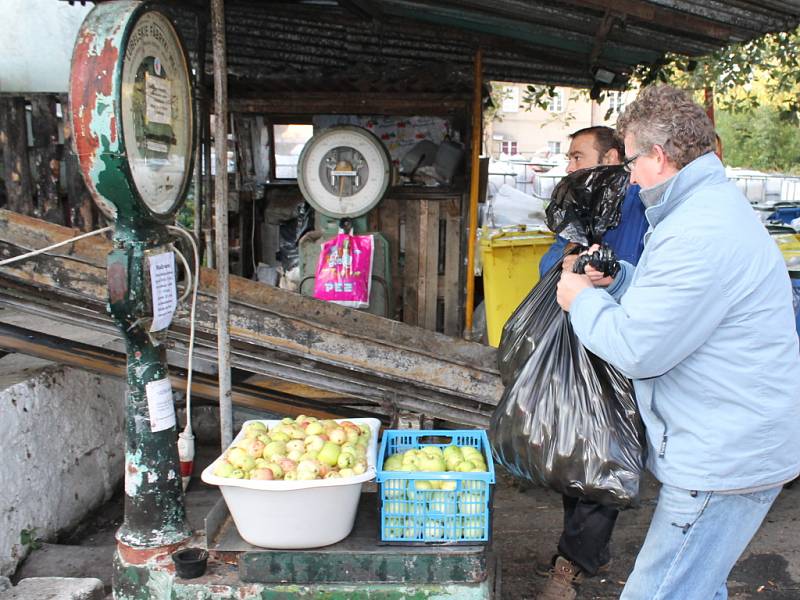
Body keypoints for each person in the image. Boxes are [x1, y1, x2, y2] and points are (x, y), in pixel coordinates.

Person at [556, 85, 800, 600]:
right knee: (696, 587)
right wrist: (618, 279)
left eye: (633, 162)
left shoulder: (697, 230)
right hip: (734, 441)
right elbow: (682, 306)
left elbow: (640, 350)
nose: (630, 176)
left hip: (724, 458)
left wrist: (581, 299)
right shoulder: (703, 211)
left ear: (659, 156)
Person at [537, 126, 649, 600]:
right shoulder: (578, 209)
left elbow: (647, 274)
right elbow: (546, 267)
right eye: (568, 158)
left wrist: (608, 272)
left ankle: (573, 562)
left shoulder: (641, 205)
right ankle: (584, 552)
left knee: (607, 452)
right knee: (576, 446)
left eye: (578, 157)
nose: (570, 167)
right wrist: (565, 262)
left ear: (614, 157)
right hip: (578, 342)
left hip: (622, 345)